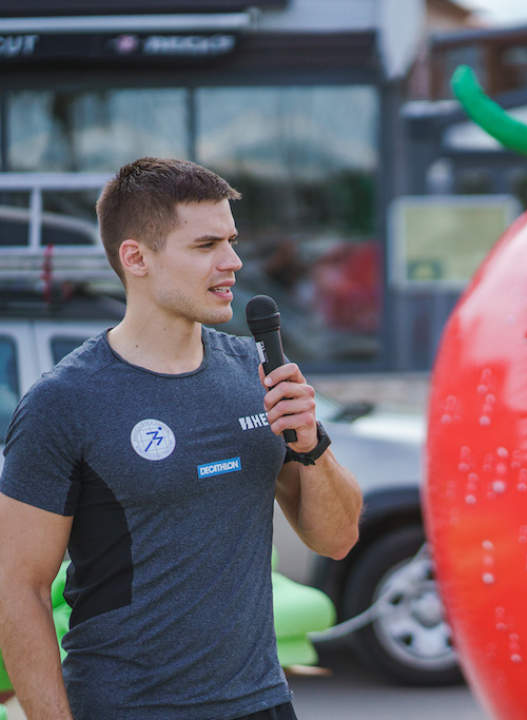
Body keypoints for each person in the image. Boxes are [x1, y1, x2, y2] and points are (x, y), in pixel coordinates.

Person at [0, 157, 364, 719]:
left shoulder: (256, 371)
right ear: (136, 257)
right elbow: (18, 588)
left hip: (262, 703)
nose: (234, 262)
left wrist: (312, 446)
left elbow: (336, 540)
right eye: (206, 246)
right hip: (127, 708)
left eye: (232, 241)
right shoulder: (64, 402)